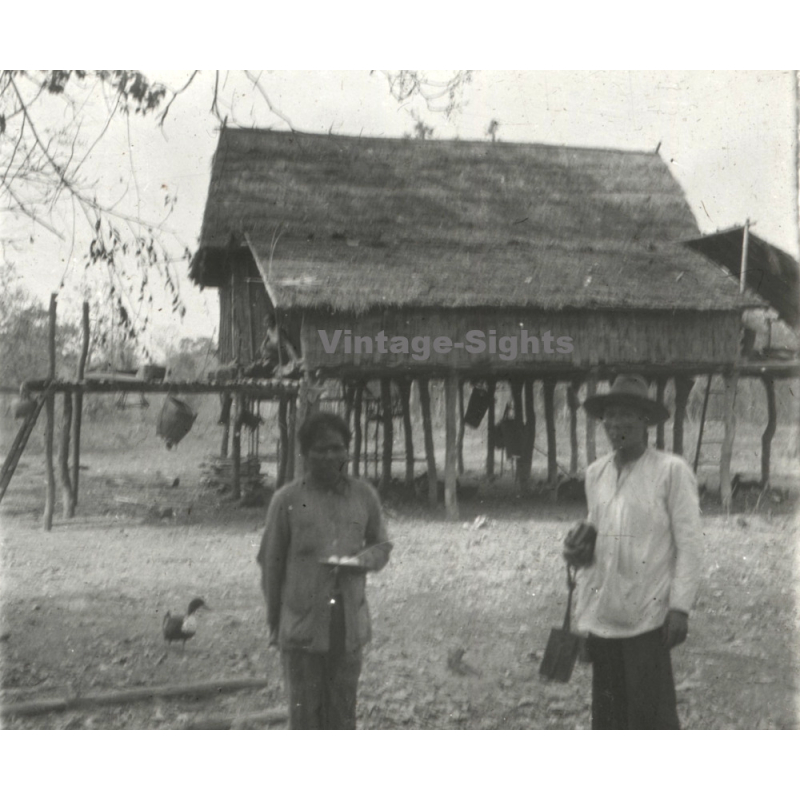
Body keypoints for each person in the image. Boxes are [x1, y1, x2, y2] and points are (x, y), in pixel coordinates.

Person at [566, 374, 702, 729]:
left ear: (645, 421)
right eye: (609, 415)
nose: (616, 423)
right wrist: (576, 552)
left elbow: (690, 545)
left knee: (650, 719)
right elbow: (594, 545)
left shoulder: (671, 472)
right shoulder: (596, 474)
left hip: (649, 618)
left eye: (627, 414)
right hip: (604, 616)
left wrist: (680, 608)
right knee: (609, 719)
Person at [257, 411, 392, 729]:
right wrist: (276, 622)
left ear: (347, 451)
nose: (330, 456)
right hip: (302, 626)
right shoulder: (287, 500)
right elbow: (271, 564)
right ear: (304, 454)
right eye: (320, 449)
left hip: (347, 625)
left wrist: (362, 561)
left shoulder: (363, 496)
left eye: (337, 448)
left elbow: (381, 545)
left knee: (343, 713)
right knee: (304, 716)